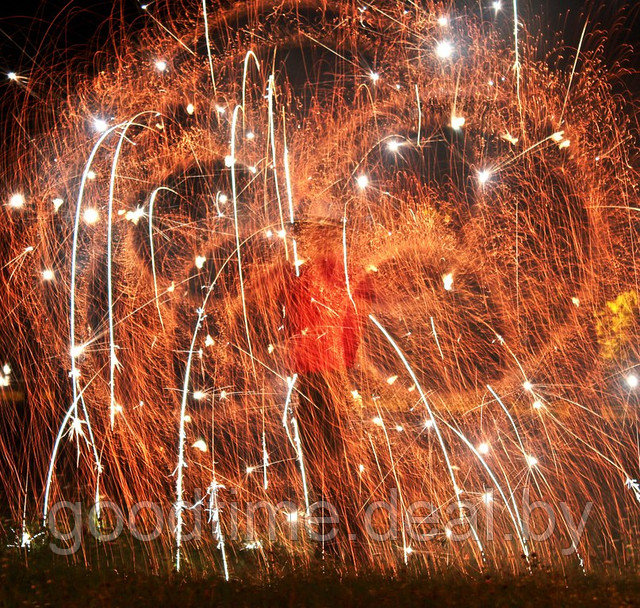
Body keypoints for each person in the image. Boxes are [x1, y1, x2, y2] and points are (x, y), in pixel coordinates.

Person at [283, 218, 374, 556]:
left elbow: (292, 323)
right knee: (336, 461)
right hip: (329, 376)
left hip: (315, 378)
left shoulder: (308, 276)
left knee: (324, 462)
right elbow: (354, 325)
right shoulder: (344, 273)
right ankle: (346, 541)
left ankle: (336, 543)